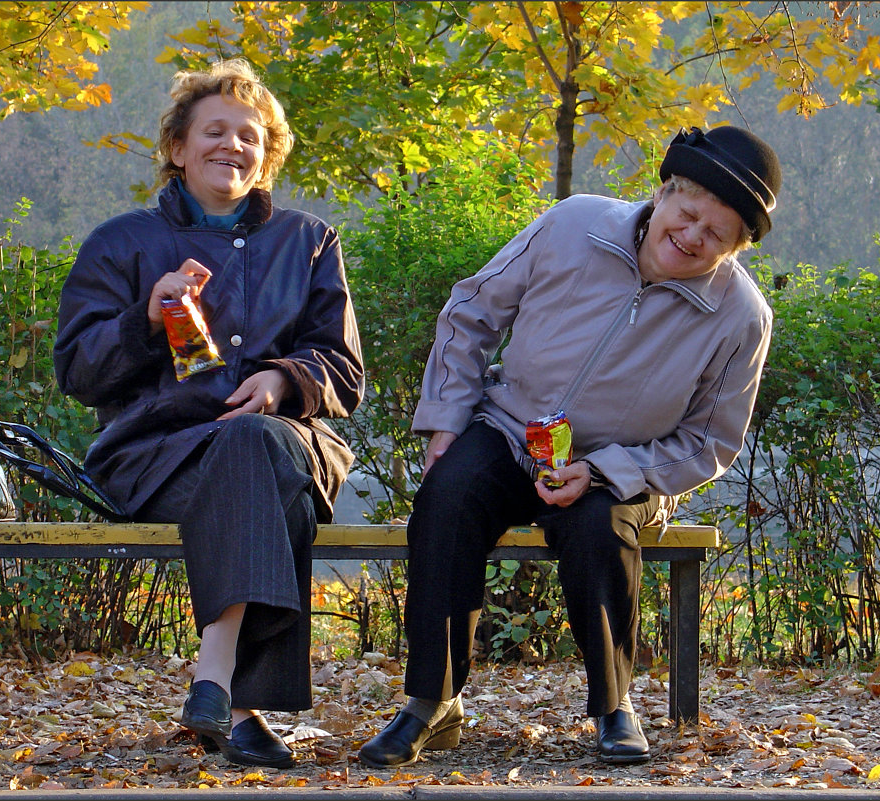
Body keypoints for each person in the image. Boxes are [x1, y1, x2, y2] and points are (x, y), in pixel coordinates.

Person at [358, 126, 780, 767]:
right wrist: (447, 417)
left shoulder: (741, 316)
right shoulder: (574, 223)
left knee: (596, 528)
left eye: (716, 236)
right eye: (688, 215)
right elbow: (472, 308)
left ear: (736, 248)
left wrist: (609, 468)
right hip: (511, 428)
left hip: (621, 464)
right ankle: (430, 701)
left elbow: (710, 441)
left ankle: (615, 706)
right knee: (448, 498)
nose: (693, 238)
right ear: (665, 191)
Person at [53, 59, 365, 768]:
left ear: (268, 153)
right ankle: (244, 707)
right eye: (214, 131)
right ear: (177, 149)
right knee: (259, 480)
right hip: (159, 454)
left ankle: (214, 672)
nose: (233, 146)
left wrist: (281, 382)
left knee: (255, 438)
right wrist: (146, 316)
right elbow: (77, 369)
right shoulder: (120, 242)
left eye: (249, 136)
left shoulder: (308, 239)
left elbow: (343, 370)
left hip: (288, 438)